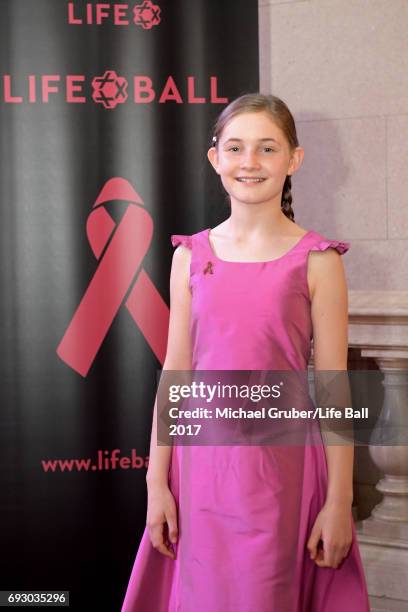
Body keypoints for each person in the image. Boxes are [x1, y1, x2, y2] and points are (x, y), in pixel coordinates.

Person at [121, 93, 370, 611]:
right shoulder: (189, 256)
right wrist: (156, 482)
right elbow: (176, 373)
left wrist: (339, 500)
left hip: (284, 473)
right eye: (235, 148)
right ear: (215, 158)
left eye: (267, 148)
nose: (249, 162)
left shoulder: (319, 261)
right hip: (200, 475)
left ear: (293, 159)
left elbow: (334, 387)